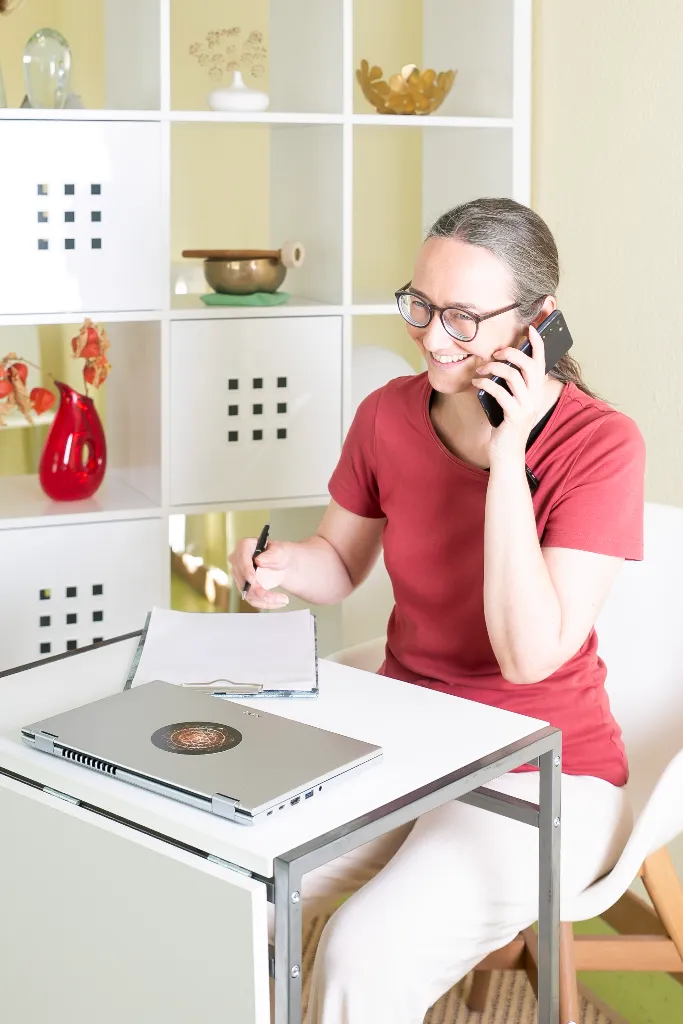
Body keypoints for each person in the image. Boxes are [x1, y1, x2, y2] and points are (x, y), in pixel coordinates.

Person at [229, 198, 645, 1024]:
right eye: (419, 304)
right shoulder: (388, 412)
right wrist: (279, 567)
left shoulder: (601, 445)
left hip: (542, 770)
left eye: (461, 315)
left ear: (539, 322)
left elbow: (530, 657)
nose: (430, 335)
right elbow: (342, 562)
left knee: (360, 952)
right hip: (404, 743)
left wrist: (505, 458)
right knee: (227, 887)